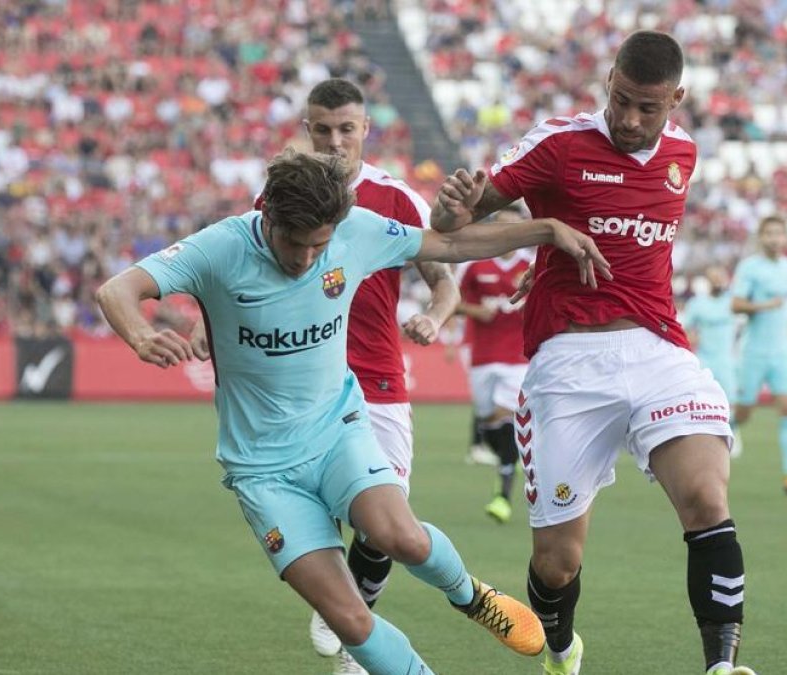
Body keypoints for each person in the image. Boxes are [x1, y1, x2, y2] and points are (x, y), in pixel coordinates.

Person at [96, 149, 611, 674]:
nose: (304, 259)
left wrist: (545, 230)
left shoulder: (356, 231)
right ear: (268, 216)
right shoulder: (222, 246)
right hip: (262, 470)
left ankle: (470, 596)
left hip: (337, 430)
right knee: (349, 620)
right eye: (294, 244)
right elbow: (118, 289)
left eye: (319, 245)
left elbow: (451, 244)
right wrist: (140, 335)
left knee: (400, 538)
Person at [431, 31, 755, 675]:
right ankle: (560, 647)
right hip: (568, 364)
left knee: (707, 503)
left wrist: (557, 253)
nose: (631, 120)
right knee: (557, 563)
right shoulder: (558, 144)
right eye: (622, 101)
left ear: (677, 100)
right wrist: (466, 214)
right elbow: (454, 229)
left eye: (648, 108)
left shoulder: (685, 155)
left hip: (661, 351)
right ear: (608, 79)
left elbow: (631, 242)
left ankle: (722, 665)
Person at [246, 77, 461, 673]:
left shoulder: (394, 198)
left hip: (379, 380)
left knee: (383, 524)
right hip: (303, 383)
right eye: (323, 129)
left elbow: (444, 276)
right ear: (307, 130)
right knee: (325, 513)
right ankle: (352, 631)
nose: (335, 140)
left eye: (347, 129)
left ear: (366, 129)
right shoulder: (279, 199)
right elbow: (244, 273)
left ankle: (348, 629)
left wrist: (434, 315)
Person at [730, 216, 787, 495]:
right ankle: (705, 436)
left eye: (778, 234)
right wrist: (766, 304)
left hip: (781, 352)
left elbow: (786, 309)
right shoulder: (750, 267)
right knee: (743, 415)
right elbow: (735, 304)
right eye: (768, 233)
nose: (774, 239)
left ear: (785, 238)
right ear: (761, 237)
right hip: (754, 352)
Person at [455, 207, 532, 524]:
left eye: (512, 228)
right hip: (483, 358)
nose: (506, 234)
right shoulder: (475, 266)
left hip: (518, 358)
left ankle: (503, 494)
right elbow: (452, 301)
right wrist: (475, 311)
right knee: (489, 423)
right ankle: (508, 459)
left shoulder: (531, 266)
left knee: (506, 415)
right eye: (500, 227)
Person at [682, 265, 744, 458]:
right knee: (700, 401)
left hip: (727, 359)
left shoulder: (732, 302)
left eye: (720, 277)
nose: (717, 281)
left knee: (731, 401)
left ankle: (733, 436)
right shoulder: (698, 304)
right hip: (705, 358)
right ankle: (702, 439)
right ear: (707, 280)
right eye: (713, 277)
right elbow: (685, 329)